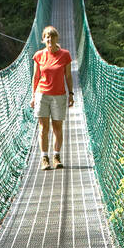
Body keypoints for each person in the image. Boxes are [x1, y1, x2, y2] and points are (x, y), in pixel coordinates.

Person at [30, 25, 74, 169]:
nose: (50, 39)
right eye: (47, 37)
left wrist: (71, 93)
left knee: (57, 127)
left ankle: (56, 156)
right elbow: (36, 76)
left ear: (57, 38)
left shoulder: (65, 55)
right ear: (43, 39)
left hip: (59, 95)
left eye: (52, 37)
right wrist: (33, 96)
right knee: (43, 128)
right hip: (42, 94)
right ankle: (44, 158)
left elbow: (68, 75)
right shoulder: (39, 55)